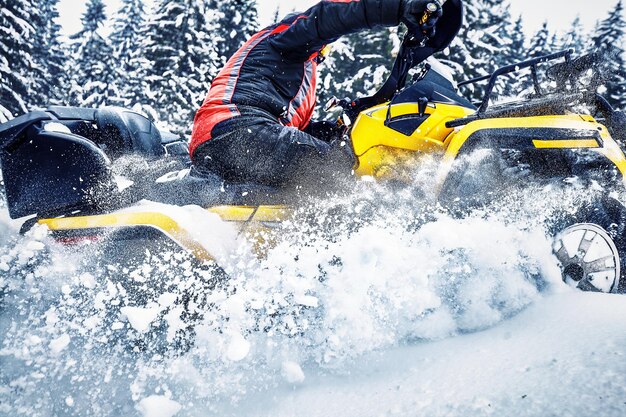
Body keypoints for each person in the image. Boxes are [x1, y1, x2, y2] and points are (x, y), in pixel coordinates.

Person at [190, 0, 463, 188]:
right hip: (236, 129)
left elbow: (292, 128)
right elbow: (326, 18)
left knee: (333, 161)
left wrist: (334, 131)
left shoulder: (291, 69)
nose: (323, 52)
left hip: (237, 134)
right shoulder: (282, 38)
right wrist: (400, 6)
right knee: (347, 170)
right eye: (324, 48)